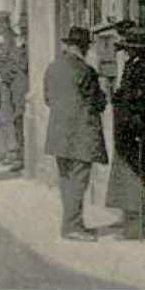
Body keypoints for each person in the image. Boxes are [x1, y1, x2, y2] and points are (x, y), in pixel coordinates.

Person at [44, 26, 109, 241]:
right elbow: (98, 103)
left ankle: (72, 223)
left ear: (67, 45)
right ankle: (72, 227)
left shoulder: (52, 68)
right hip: (81, 134)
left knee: (66, 179)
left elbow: (47, 99)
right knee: (79, 181)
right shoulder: (85, 71)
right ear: (85, 47)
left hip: (58, 133)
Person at [106, 23, 145, 239]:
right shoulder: (135, 62)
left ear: (136, 47)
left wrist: (122, 100)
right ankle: (131, 218)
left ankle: (139, 224)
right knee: (131, 172)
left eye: (128, 45)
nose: (126, 49)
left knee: (138, 175)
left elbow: (143, 98)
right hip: (129, 128)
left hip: (139, 128)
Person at [0, 10, 28, 170]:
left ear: (7, 23)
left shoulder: (15, 40)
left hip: (9, 83)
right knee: (0, 117)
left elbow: (16, 62)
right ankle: (2, 151)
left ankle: (14, 152)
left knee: (10, 117)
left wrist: (4, 76)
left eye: (1, 23)